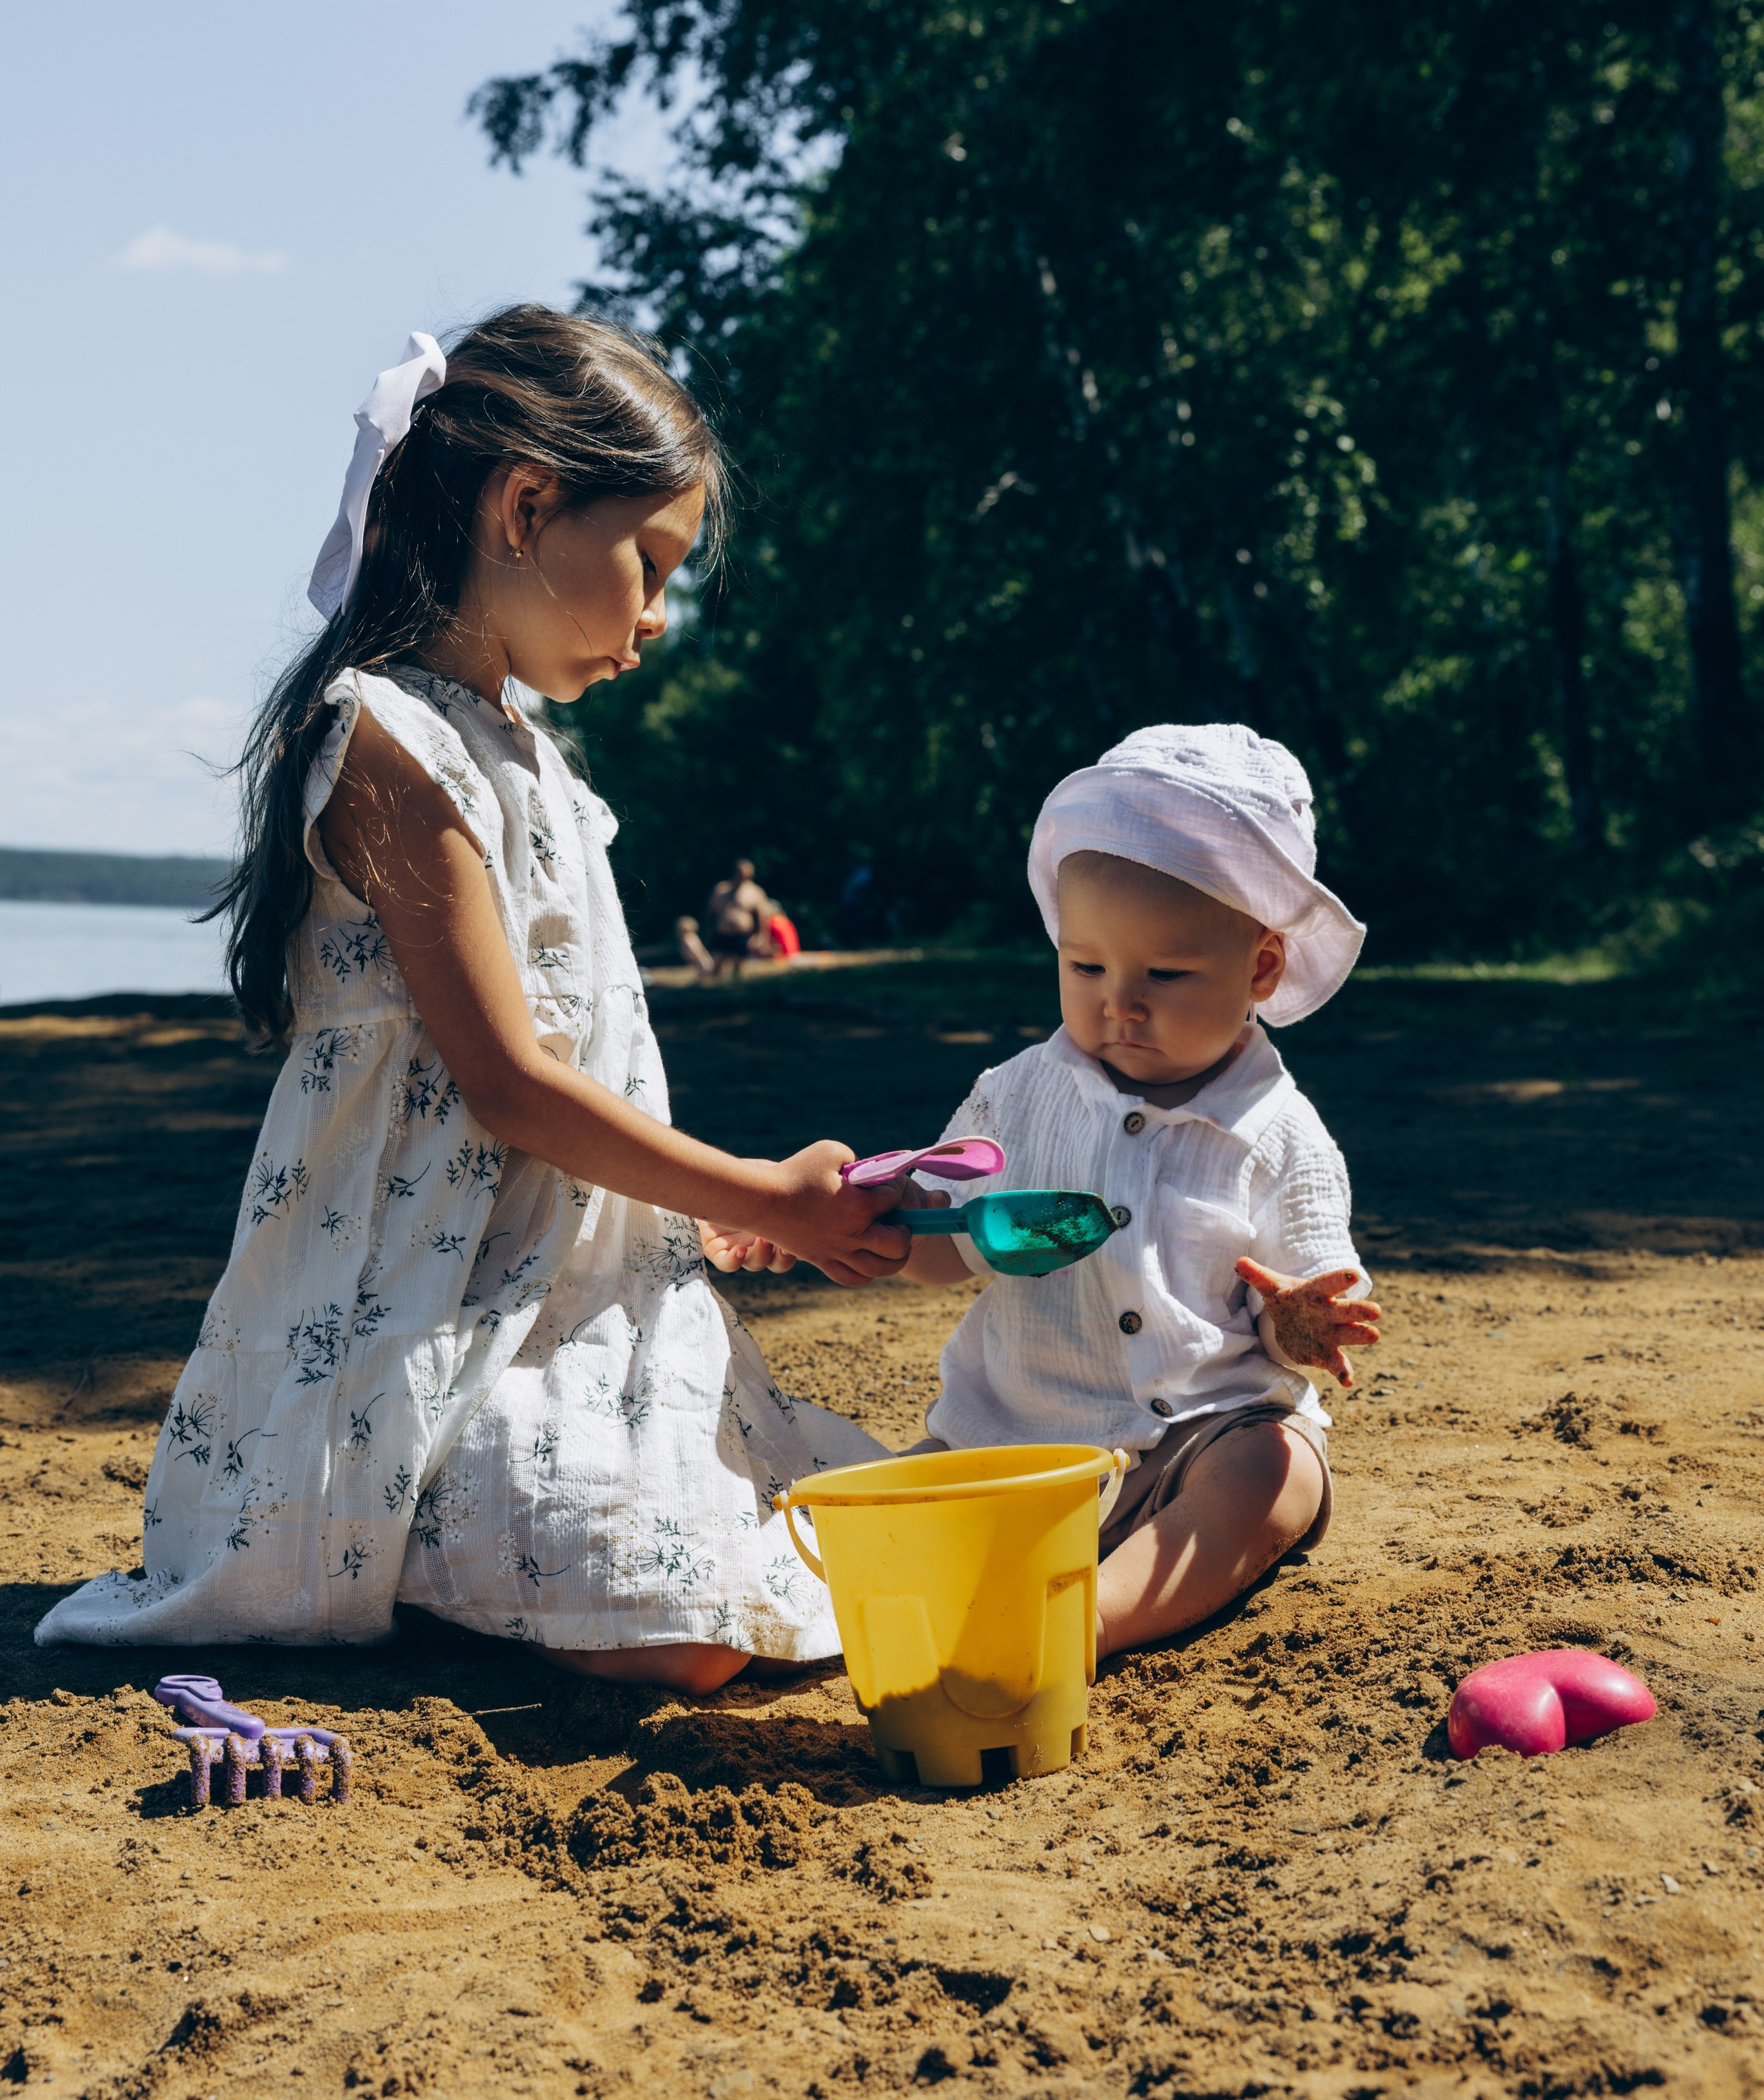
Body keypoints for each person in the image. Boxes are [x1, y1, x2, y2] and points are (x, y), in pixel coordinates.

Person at [35, 309, 909, 1693]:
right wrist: (754, 1193)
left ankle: (491, 1555)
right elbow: (506, 1083)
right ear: (526, 504)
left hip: (565, 1294)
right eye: (651, 562)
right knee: (678, 1635)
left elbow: (589, 1062)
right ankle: (407, 1552)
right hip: (419, 1318)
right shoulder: (389, 741)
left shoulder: (539, 762)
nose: (658, 615)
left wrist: (700, 1221)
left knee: (779, 1561)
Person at [891, 724, 1380, 1657]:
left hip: (1194, 1444)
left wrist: (1298, 1325)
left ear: (1261, 968)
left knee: (1279, 1469)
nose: (1120, 1000)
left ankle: (1083, 1617)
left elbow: (1297, 1305)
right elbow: (937, 1248)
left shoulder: (1279, 1134)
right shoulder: (1014, 1095)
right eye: (1086, 967)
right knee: (893, 1502)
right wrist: (864, 1226)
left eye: (1164, 974)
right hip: (1016, 1447)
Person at [704, 856, 776, 971]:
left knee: (738, 967)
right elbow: (711, 915)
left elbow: (762, 919)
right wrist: (708, 934)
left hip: (742, 936)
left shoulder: (755, 892)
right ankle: (714, 988)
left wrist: (762, 938)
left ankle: (735, 988)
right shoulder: (721, 890)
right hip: (722, 934)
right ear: (735, 872)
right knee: (716, 966)